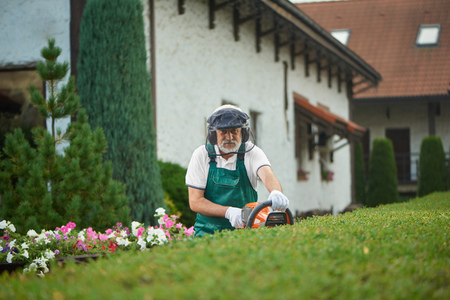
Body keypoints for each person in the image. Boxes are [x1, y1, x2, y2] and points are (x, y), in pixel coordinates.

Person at [185, 104, 289, 237]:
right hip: (206, 234)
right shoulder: (201, 155)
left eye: (234, 131)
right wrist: (229, 212)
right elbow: (195, 202)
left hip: (244, 234)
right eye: (223, 132)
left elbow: (267, 174)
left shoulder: (252, 152)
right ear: (213, 134)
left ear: (243, 133)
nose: (229, 137)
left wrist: (276, 192)